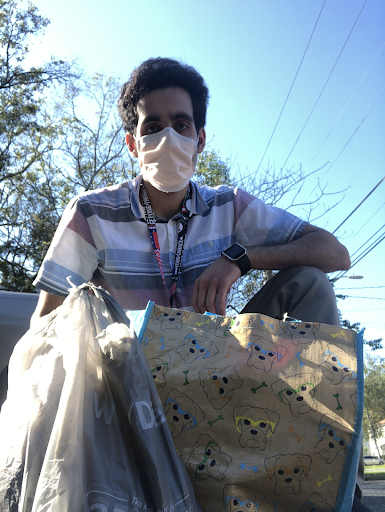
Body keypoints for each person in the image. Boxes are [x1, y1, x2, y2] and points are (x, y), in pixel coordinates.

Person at [30, 57, 367, 511]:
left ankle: (332, 480)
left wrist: (241, 257)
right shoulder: (91, 214)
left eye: (181, 124)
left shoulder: (228, 207)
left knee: (310, 283)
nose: (167, 138)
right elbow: (45, 325)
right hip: (133, 386)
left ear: (200, 139)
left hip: (222, 376)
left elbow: (335, 254)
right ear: (133, 143)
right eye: (153, 127)